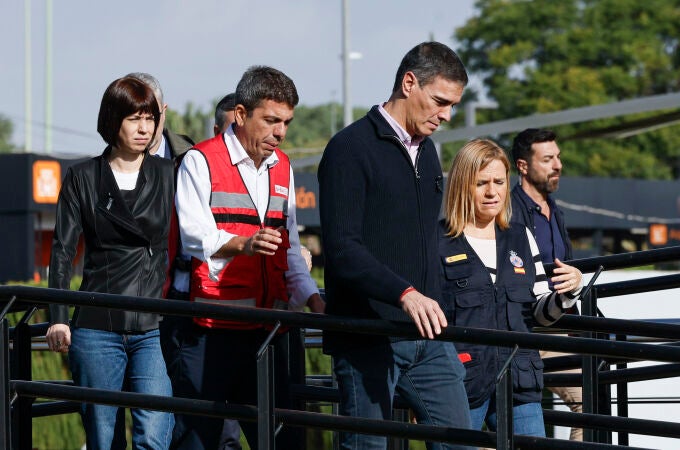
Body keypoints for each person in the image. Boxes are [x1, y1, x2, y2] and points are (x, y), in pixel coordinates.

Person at [318, 41, 472, 450]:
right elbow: (342, 248)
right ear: (409, 83)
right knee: (366, 447)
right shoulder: (349, 149)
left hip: (428, 337)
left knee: (461, 441)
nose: (447, 115)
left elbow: (427, 240)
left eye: (453, 105)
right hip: (367, 336)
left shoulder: (428, 151)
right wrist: (404, 294)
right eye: (440, 101)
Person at [172, 65, 324, 450]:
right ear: (240, 115)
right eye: (271, 120)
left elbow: (289, 249)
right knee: (198, 441)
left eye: (287, 121)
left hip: (269, 331)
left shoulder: (284, 167)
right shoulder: (199, 160)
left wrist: (313, 298)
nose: (281, 132)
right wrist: (246, 244)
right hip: (211, 332)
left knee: (284, 440)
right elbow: (192, 236)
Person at [45, 76, 174, 450]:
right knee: (104, 439)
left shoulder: (169, 175)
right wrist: (57, 315)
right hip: (97, 326)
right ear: (112, 120)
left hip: (154, 325)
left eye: (149, 118)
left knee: (153, 433)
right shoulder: (82, 177)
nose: (144, 128)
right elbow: (62, 251)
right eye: (134, 118)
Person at [438, 138, 583, 437]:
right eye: (481, 183)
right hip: (461, 382)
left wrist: (568, 293)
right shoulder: (436, 242)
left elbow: (540, 314)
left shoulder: (521, 237)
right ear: (462, 185)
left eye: (499, 182)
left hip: (520, 379)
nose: (492, 192)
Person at [510, 128, 583, 441]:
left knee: (596, 392)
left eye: (559, 157)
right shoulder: (509, 211)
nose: (558, 165)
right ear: (523, 166)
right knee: (589, 400)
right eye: (548, 159)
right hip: (529, 328)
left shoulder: (556, 212)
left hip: (561, 322)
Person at [126, 72, 195, 160]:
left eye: (151, 118)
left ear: (164, 112)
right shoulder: (104, 167)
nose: (144, 129)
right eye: (134, 119)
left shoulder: (192, 159)